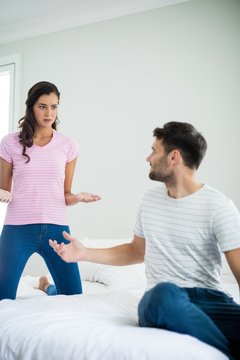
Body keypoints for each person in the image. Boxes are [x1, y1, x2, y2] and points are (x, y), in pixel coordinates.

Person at [49, 121, 240, 360]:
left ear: (173, 157)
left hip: (212, 300)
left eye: (154, 150)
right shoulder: (150, 201)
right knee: (164, 294)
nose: (148, 158)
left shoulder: (219, 206)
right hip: (162, 301)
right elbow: (135, 252)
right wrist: (85, 253)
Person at [0, 81, 101, 300]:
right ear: (31, 107)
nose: (49, 113)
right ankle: (45, 286)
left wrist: (77, 197)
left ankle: (46, 287)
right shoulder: (9, 143)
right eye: (42, 106)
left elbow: (66, 195)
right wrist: (3, 192)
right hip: (17, 229)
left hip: (57, 229)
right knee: (3, 297)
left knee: (73, 295)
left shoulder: (67, 144)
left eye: (54, 106)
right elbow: (3, 189)